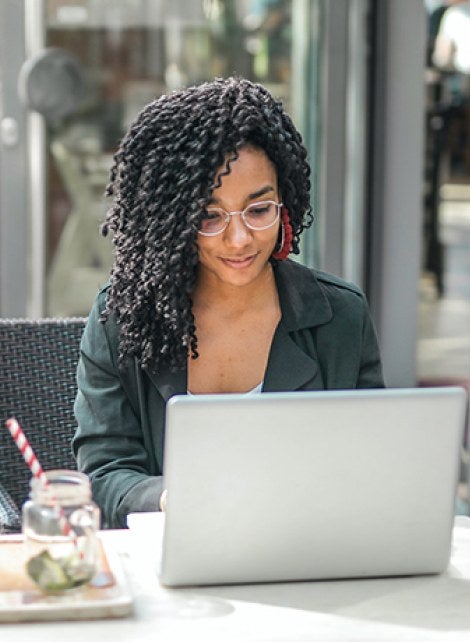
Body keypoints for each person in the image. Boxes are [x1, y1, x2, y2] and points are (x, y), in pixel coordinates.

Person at [72, 76, 384, 528]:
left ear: (286, 203)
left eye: (259, 210)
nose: (239, 240)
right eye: (209, 216)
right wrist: (169, 497)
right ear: (172, 220)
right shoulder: (122, 318)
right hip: (170, 562)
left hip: (309, 554)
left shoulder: (340, 317)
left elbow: (371, 466)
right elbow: (103, 475)